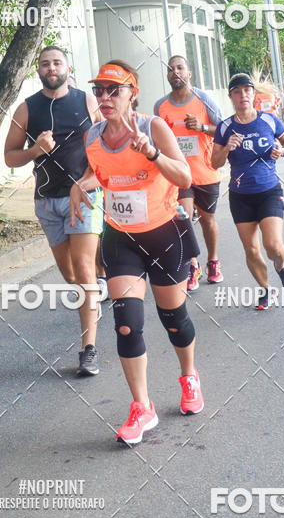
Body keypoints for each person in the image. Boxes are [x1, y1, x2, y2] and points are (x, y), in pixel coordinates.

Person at [70, 60, 203, 446]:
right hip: (122, 237)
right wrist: (82, 184)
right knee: (127, 323)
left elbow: (184, 177)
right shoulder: (92, 136)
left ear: (133, 93)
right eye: (99, 90)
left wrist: (153, 156)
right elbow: (105, 174)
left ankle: (189, 375)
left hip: (165, 233)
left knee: (173, 316)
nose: (105, 97)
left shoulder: (153, 127)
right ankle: (142, 407)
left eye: (114, 90)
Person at [4, 45, 103, 376]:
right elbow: (10, 157)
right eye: (45, 63)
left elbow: (102, 147)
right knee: (71, 275)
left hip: (85, 195)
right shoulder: (27, 109)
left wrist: (90, 180)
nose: (51, 67)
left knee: (84, 270)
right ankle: (93, 295)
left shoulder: (86, 101)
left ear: (66, 66)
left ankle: (89, 349)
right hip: (47, 202)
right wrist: (35, 150)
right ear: (38, 71)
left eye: (56, 62)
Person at [211, 73, 284, 311]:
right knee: (251, 248)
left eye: (247, 91)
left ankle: (282, 267)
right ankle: (265, 289)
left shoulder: (268, 120)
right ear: (231, 97)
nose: (243, 96)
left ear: (253, 94)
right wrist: (227, 147)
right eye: (237, 92)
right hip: (240, 196)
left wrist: (283, 150)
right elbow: (215, 163)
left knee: (274, 246)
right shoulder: (225, 127)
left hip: (268, 191)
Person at [154, 55, 223, 290]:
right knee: (183, 218)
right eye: (171, 69)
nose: (175, 72)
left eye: (180, 68)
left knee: (207, 219)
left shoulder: (204, 100)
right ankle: (192, 265)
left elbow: (223, 130)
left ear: (189, 73)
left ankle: (213, 261)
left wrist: (202, 127)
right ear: (167, 75)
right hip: (178, 175)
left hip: (205, 172)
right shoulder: (160, 106)